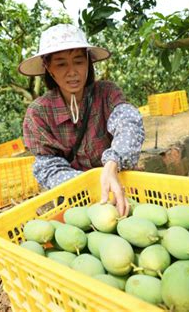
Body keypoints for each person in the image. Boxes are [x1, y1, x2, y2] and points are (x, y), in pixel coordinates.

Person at [18, 24, 145, 217]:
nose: (72, 72)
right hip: (76, 201)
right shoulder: (38, 113)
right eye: (61, 64)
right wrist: (93, 184)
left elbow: (128, 123)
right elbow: (47, 166)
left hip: (122, 187)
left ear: (88, 62)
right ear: (48, 68)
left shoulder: (107, 93)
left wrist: (112, 163)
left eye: (78, 61)